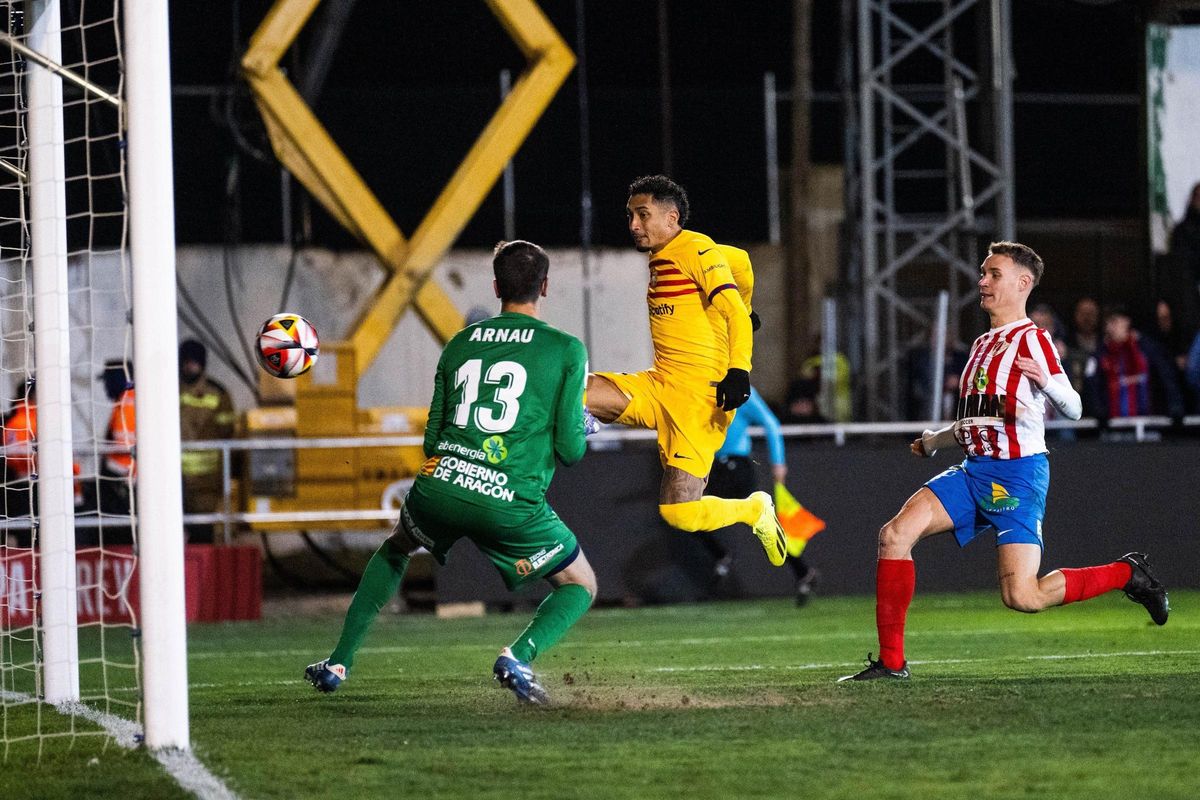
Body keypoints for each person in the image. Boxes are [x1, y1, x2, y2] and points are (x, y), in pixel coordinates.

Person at [839, 242, 1169, 682]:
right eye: (983, 273)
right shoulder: (981, 344)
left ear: (1022, 283)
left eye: (993, 274)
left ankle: (1127, 574)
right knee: (895, 535)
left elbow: (1073, 407)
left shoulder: (1033, 338)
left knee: (1023, 597)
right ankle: (891, 663)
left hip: (1017, 476)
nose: (982, 282)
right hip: (973, 471)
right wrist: (935, 441)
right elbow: (981, 417)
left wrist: (1047, 382)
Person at [306, 240, 596, 705]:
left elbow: (432, 437)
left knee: (398, 547)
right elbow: (569, 450)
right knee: (580, 583)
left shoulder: (460, 343)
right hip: (509, 502)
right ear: (544, 287)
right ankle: (518, 655)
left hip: (440, 486)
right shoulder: (566, 349)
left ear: (496, 286)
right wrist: (583, 426)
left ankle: (339, 661)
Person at [585, 175, 787, 566]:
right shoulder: (668, 255)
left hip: (699, 402)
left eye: (642, 215)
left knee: (678, 512)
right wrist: (745, 302)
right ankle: (581, 422)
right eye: (630, 216)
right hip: (659, 384)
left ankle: (753, 510)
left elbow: (733, 314)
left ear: (672, 217)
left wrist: (739, 367)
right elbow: (742, 263)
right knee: (577, 390)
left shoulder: (695, 248)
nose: (633, 225)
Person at [697, 386, 820, 605]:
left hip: (737, 467)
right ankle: (803, 572)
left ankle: (721, 556)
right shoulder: (701, 388)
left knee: (692, 509)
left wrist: (778, 461)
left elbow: (770, 422)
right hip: (717, 467)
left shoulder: (740, 388)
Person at [178, 339, 237, 543]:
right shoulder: (168, 389)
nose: (190, 367)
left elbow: (228, 431)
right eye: (186, 362)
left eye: (194, 362)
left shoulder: (218, 393)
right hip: (173, 477)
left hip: (205, 480)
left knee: (202, 532)